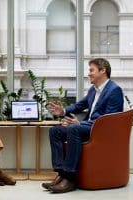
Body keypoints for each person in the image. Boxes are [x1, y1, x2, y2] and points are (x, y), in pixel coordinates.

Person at [42, 58, 124, 193]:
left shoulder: (114, 90)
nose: (89, 73)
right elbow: (79, 105)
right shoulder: (94, 90)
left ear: (103, 71)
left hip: (101, 130)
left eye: (92, 70)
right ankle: (61, 173)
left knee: (74, 128)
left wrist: (80, 123)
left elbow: (109, 121)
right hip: (88, 127)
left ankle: (70, 179)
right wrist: (63, 111)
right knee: (55, 131)